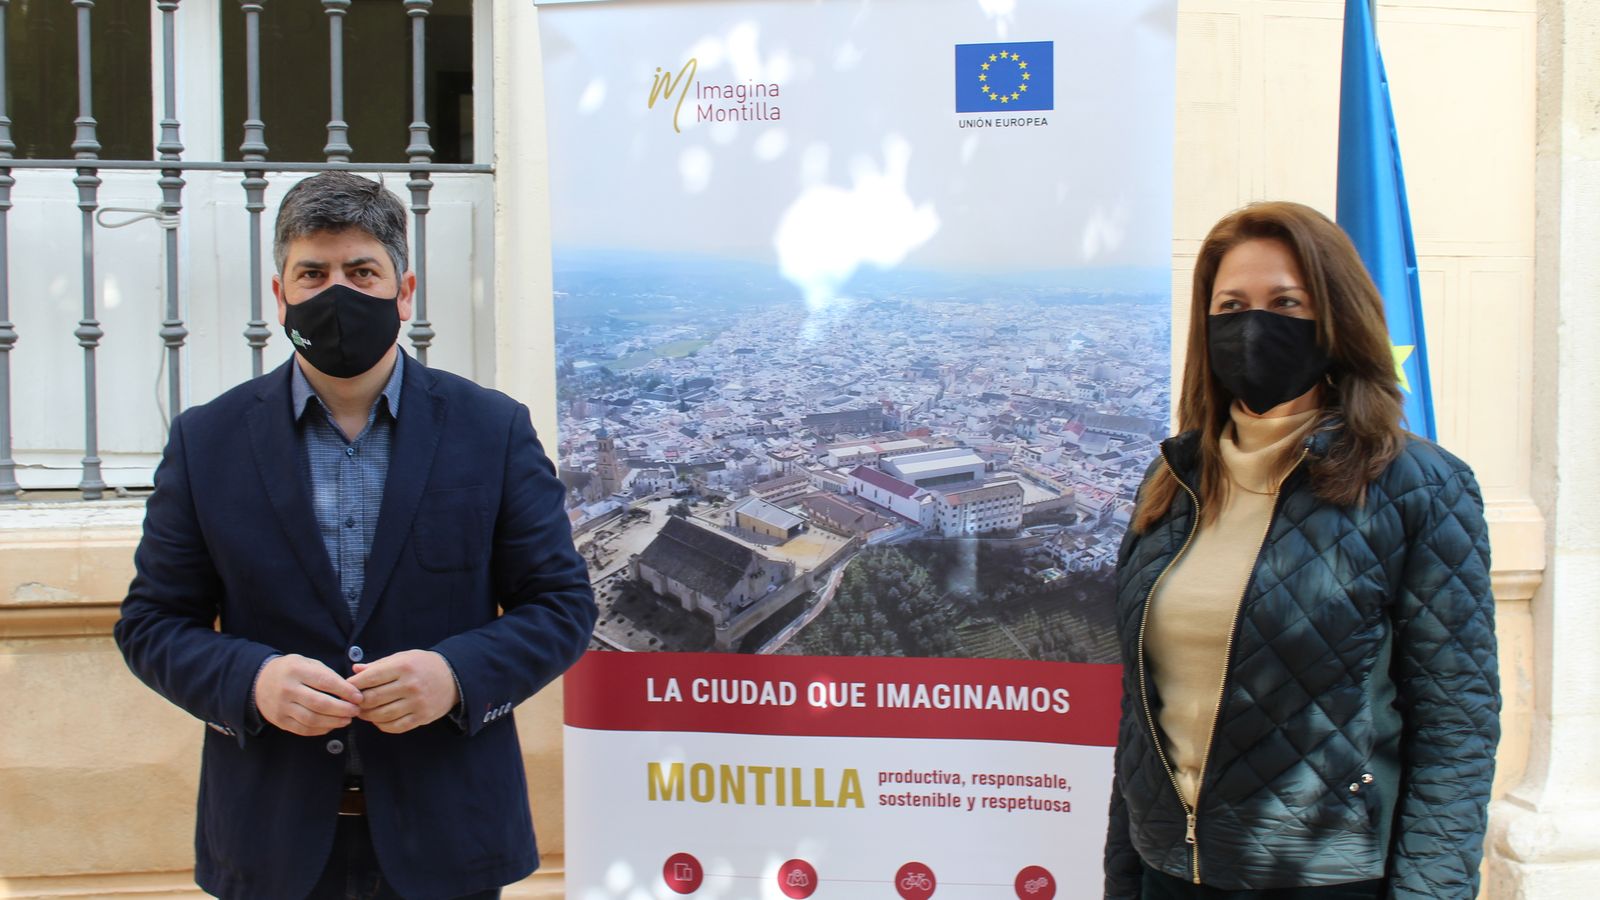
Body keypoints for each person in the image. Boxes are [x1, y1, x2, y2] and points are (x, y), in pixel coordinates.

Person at [114, 172, 596, 900]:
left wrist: (456, 675)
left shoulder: (491, 429)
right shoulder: (207, 441)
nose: (337, 292)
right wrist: (252, 681)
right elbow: (151, 623)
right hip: (272, 845)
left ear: (404, 292)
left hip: (450, 838)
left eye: (362, 271)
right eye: (313, 273)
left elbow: (561, 606)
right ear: (280, 296)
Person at [1103, 201, 1499, 899]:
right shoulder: (1171, 481)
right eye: (1231, 306)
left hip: (1328, 875)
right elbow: (1143, 714)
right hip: (1171, 870)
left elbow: (1455, 726)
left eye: (1286, 303)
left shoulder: (1417, 487)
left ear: (1336, 319)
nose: (1253, 326)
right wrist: (1126, 873)